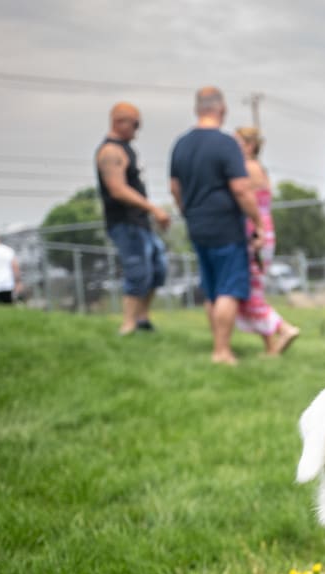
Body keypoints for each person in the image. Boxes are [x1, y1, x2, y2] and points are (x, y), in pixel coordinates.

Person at [169, 87, 262, 365]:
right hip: (225, 227)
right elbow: (242, 189)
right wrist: (257, 221)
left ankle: (217, 344)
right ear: (221, 109)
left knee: (211, 289)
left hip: (197, 225)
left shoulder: (181, 144)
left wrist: (188, 211)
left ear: (198, 109)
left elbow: (175, 188)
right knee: (228, 289)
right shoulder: (225, 144)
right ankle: (222, 351)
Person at [95, 102, 171, 334]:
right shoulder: (110, 151)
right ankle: (128, 325)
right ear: (119, 121)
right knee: (137, 272)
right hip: (125, 223)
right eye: (135, 124)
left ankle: (142, 319)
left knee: (158, 269)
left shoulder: (126, 149)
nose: (138, 130)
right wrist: (154, 209)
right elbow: (117, 189)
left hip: (140, 223)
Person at [232, 127, 301, 355]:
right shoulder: (260, 169)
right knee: (254, 292)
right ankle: (271, 347)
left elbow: (245, 200)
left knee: (252, 295)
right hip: (263, 233)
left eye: (238, 142)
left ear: (250, 146)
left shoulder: (248, 169)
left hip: (255, 236)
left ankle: (285, 329)